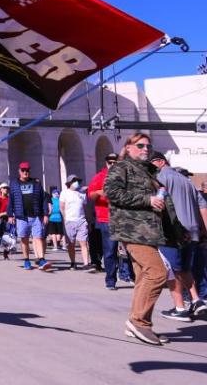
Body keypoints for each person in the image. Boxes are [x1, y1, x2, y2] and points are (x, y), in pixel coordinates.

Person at [105, 132, 171, 345]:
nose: (145, 149)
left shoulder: (149, 171)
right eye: (140, 145)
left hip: (149, 230)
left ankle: (140, 324)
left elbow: (158, 202)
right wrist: (147, 198)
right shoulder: (121, 167)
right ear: (128, 147)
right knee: (158, 273)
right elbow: (112, 193)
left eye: (148, 147)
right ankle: (139, 322)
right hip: (132, 230)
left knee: (144, 276)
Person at [149, 151, 206, 321]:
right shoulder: (186, 181)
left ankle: (180, 308)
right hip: (191, 230)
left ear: (159, 162)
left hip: (173, 231)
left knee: (171, 270)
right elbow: (201, 206)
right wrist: (203, 231)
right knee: (184, 268)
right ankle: (196, 300)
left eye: (150, 165)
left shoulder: (161, 177)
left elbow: (158, 204)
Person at [7, 161, 51, 271]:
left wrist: (45, 214)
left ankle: (41, 259)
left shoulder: (36, 183)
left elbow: (43, 199)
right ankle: (26, 260)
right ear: (19, 171)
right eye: (23, 170)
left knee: (38, 238)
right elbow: (11, 201)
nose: (25, 172)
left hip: (36, 216)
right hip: (21, 217)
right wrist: (10, 215)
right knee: (24, 239)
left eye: (27, 170)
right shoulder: (14, 184)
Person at [89, 152, 121, 290]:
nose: (112, 164)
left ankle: (133, 277)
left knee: (133, 251)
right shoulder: (99, 177)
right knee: (110, 251)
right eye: (110, 162)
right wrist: (99, 193)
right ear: (106, 162)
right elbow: (90, 195)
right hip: (106, 218)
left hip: (124, 218)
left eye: (115, 162)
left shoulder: (123, 176)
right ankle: (111, 280)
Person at [60, 174, 91, 270]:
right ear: (69, 183)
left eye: (77, 180)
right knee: (71, 244)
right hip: (69, 221)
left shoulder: (81, 194)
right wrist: (65, 219)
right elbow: (62, 207)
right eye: (74, 181)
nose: (76, 182)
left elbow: (84, 207)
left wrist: (87, 220)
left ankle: (86, 263)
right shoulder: (64, 193)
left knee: (84, 242)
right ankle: (73, 262)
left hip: (81, 221)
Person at [46, 186, 65, 252]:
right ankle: (61, 244)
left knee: (53, 233)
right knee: (59, 232)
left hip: (51, 218)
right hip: (59, 218)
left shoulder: (50, 200)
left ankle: (55, 246)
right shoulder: (60, 200)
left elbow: (50, 210)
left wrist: (47, 215)